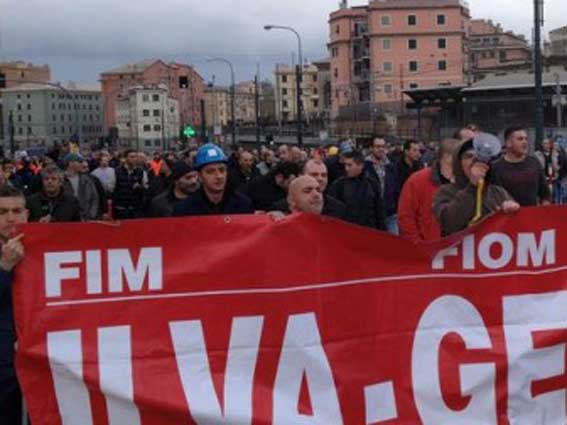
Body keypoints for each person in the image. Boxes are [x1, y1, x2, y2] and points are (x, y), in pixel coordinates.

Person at [433, 138, 520, 236]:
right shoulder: (446, 192)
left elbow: (517, 229)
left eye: (479, 156)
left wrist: (511, 212)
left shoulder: (498, 192)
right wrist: (472, 187)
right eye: (469, 156)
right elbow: (450, 224)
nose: (475, 160)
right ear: (458, 163)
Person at [0, 185, 28, 425]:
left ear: (26, 214)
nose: (10, 218)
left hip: (37, 357)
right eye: (2, 212)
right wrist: (4, 268)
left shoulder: (43, 246)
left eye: (16, 210)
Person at [398, 138, 457, 243]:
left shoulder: (467, 182)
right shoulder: (417, 181)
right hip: (428, 248)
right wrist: (418, 244)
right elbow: (406, 216)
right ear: (445, 158)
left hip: (460, 249)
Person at [174, 143, 254, 216]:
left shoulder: (243, 204)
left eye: (222, 170)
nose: (219, 176)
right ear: (200, 176)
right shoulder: (185, 209)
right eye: (210, 171)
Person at [491, 126, 551, 207]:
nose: (525, 142)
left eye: (526, 139)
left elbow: (545, 193)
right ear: (508, 143)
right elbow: (494, 199)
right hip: (507, 217)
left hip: (532, 216)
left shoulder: (534, 163)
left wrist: (544, 210)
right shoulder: (496, 168)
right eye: (520, 139)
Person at [328, 150, 385, 230]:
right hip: (347, 231)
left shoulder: (372, 184)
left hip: (369, 231)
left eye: (350, 165)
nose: (346, 168)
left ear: (360, 165)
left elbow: (379, 210)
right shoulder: (338, 185)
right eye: (345, 165)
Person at [270, 159, 346, 219]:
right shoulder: (280, 208)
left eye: (324, 175)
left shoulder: (339, 209)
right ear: (301, 175)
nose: (320, 179)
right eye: (314, 174)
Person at [113, 149, 149, 220]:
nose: (134, 159)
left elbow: (147, 189)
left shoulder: (141, 172)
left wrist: (140, 187)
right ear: (125, 158)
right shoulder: (116, 171)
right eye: (132, 157)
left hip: (135, 208)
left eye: (135, 157)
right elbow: (111, 189)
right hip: (121, 208)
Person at [63, 153, 99, 221]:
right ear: (70, 163)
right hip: (67, 221)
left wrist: (91, 216)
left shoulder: (87, 180)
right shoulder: (60, 180)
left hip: (86, 220)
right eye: (79, 162)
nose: (82, 164)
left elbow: (94, 199)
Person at [535, 138, 564, 204]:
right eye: (544, 143)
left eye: (547, 143)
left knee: (553, 195)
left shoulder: (555, 154)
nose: (546, 145)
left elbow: (561, 162)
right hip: (542, 178)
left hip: (553, 178)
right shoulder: (537, 154)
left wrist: (558, 168)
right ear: (542, 145)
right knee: (543, 196)